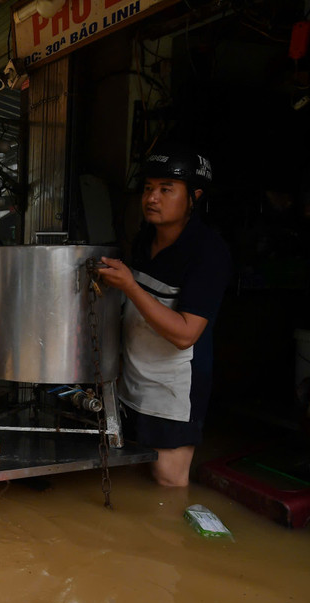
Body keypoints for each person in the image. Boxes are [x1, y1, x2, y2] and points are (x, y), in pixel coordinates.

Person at [99, 147, 231, 487]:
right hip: (132, 381)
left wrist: (129, 286)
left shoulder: (208, 252)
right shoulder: (147, 238)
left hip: (173, 390)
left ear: (194, 197)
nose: (152, 198)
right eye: (148, 188)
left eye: (166, 189)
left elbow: (186, 333)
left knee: (168, 486)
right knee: (130, 475)